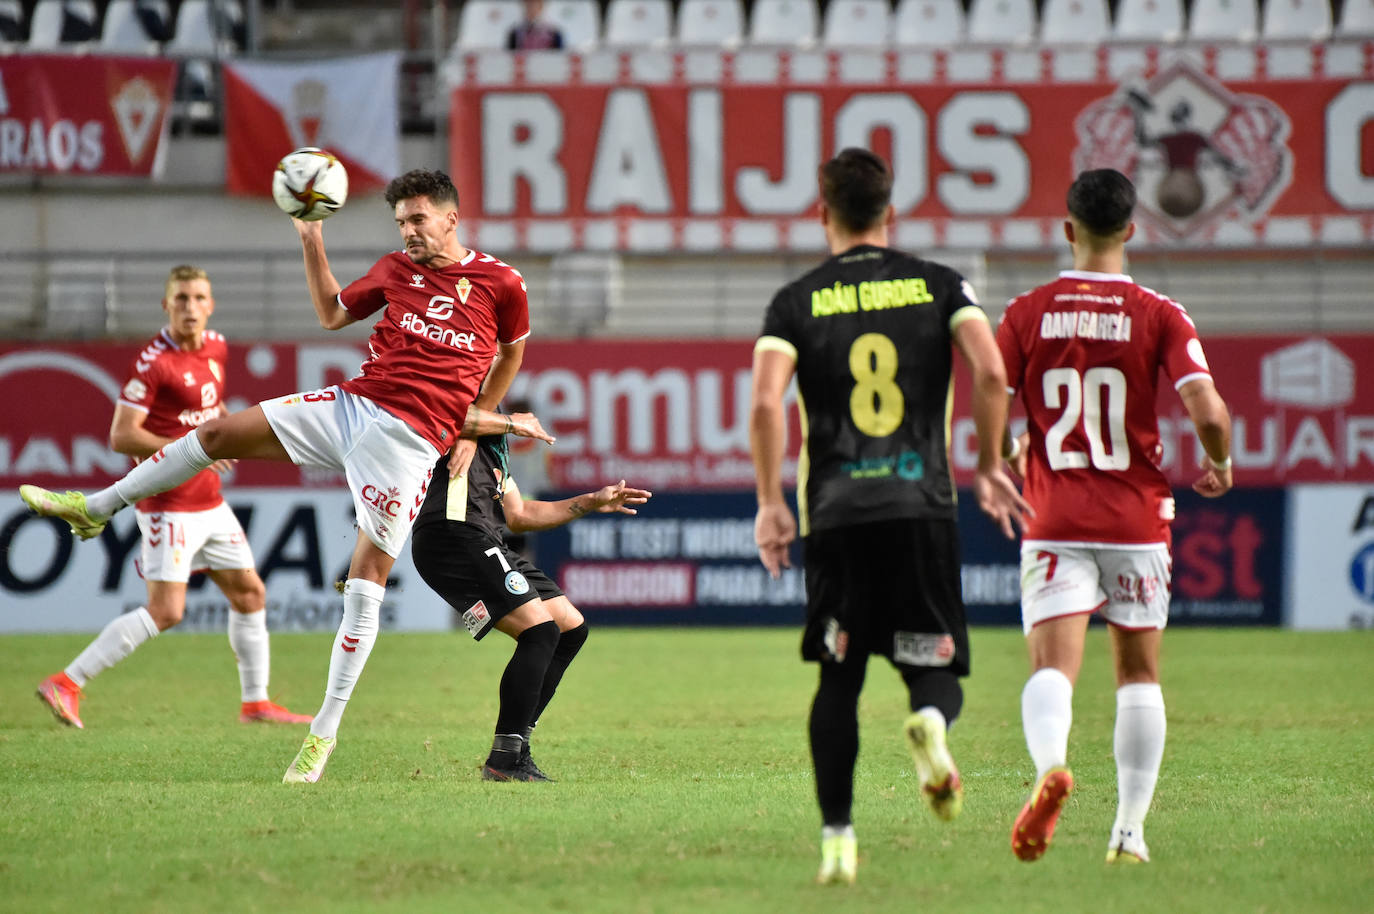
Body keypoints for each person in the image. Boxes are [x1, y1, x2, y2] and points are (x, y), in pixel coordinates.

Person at [20, 169, 553, 784]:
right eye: (401, 222)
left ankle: (320, 739)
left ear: (451, 219)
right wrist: (311, 237)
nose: (408, 232)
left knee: (365, 583)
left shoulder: (501, 283)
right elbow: (330, 315)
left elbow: (510, 351)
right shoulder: (394, 270)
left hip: (407, 447)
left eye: (418, 220)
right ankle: (96, 508)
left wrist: (475, 422)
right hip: (351, 406)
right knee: (217, 434)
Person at [749, 147, 1030, 885]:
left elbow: (762, 403)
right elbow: (994, 371)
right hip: (920, 507)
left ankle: (838, 839)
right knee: (932, 669)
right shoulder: (939, 284)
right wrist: (992, 463)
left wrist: (772, 502)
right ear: (890, 213)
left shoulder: (795, 300)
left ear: (822, 213)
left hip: (836, 513)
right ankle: (932, 728)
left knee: (837, 681)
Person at [996, 168, 1233, 865]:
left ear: (1068, 229)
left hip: (1055, 513)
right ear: (1131, 230)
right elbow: (1209, 411)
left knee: (1052, 666)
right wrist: (1220, 459)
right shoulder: (1160, 312)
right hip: (1136, 520)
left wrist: (1006, 450)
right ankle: (1129, 831)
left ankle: (1050, 770)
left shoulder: (1028, 311)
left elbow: (998, 392)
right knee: (1138, 673)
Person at [34, 265, 311, 730]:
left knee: (249, 593)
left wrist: (219, 431)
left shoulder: (217, 346)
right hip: (168, 505)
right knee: (167, 610)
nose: (190, 307)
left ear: (211, 305)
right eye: (181, 298)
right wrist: (194, 448)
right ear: (166, 305)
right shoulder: (153, 362)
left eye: (199, 298)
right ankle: (67, 681)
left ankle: (256, 703)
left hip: (210, 502)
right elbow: (123, 436)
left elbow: (210, 408)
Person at [409, 431, 651, 781]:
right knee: (539, 631)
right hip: (453, 535)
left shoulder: (494, 450)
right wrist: (511, 421)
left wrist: (592, 500)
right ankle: (504, 759)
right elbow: (462, 412)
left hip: (484, 538)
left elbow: (519, 514)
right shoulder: (459, 422)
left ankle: (516, 747)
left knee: (570, 629)